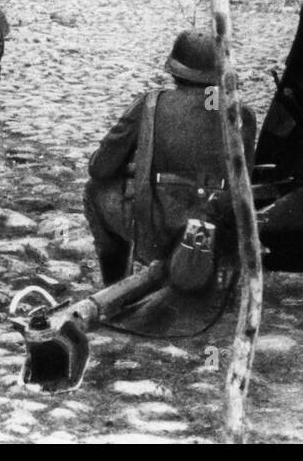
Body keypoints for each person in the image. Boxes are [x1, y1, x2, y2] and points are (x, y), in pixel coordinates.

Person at [85, 30, 258, 285]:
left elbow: (100, 168)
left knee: (94, 191)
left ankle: (116, 286)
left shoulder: (151, 104)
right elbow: (243, 181)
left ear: (175, 71)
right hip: (218, 229)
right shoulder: (241, 113)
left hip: (160, 226)